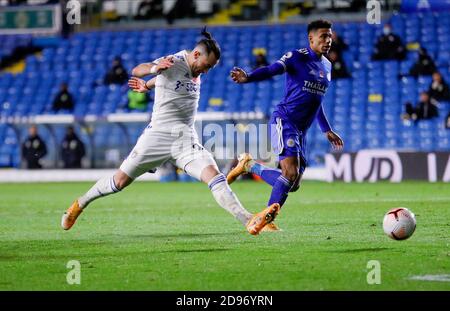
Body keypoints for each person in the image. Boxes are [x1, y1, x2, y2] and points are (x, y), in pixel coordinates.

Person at [61, 28, 279, 236]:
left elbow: (172, 80)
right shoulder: (173, 61)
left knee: (215, 177)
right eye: (206, 65)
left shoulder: (194, 68)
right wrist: (154, 69)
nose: (206, 70)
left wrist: (149, 86)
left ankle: (250, 220)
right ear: (195, 54)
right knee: (118, 183)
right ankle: (80, 204)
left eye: (210, 68)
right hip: (157, 137)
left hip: (185, 138)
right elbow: (139, 69)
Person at [227, 20, 343, 230]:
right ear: (311, 38)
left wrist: (326, 129)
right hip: (285, 120)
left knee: (294, 183)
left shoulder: (327, 66)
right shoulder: (297, 56)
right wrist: (249, 77)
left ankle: (249, 166)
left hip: (302, 130)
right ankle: (263, 219)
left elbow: (317, 100)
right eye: (323, 36)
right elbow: (273, 69)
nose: (328, 40)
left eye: (330, 36)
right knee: (289, 173)